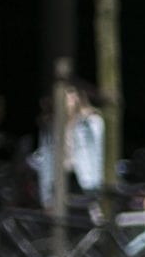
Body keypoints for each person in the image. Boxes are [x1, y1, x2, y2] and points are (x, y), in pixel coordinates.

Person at [31, 79, 105, 207]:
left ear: (78, 97)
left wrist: (101, 188)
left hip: (86, 180)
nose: (68, 99)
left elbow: (100, 154)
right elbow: (46, 162)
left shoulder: (91, 122)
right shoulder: (50, 126)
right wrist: (46, 198)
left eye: (71, 93)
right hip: (59, 179)